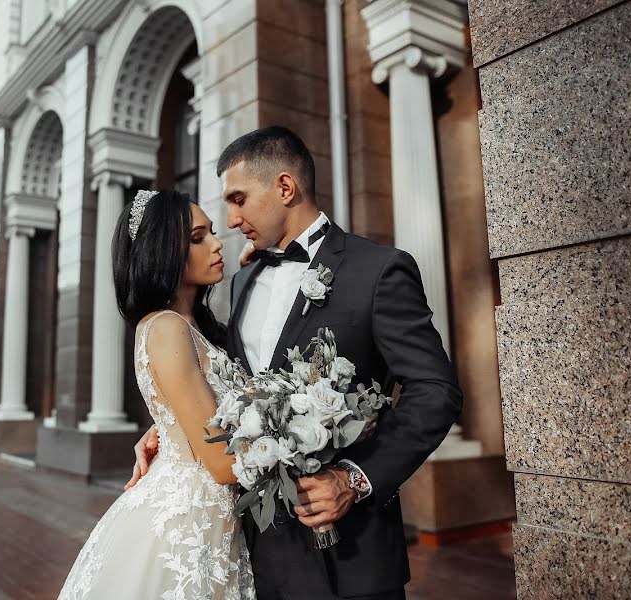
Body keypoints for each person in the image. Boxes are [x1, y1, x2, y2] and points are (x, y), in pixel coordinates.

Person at [128, 126, 463, 599]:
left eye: (239, 199)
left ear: (285, 187)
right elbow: (234, 382)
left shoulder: (379, 270)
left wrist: (356, 479)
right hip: (257, 554)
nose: (231, 218)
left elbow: (435, 390)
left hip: (352, 557)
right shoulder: (243, 282)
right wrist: (171, 428)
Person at [57, 190, 256, 600]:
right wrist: (302, 437)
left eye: (212, 234)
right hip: (190, 522)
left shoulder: (192, 326)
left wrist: (164, 430)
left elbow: (193, 410)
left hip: (213, 516)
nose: (217, 244)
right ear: (162, 250)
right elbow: (220, 463)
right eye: (198, 237)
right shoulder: (166, 327)